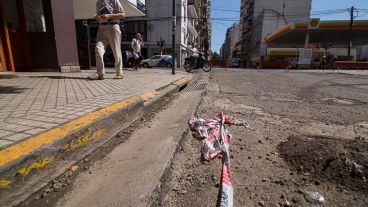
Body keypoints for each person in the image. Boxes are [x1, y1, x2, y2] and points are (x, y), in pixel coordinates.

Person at [88, 0, 125, 80]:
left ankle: (119, 73)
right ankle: (99, 73)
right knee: (98, 49)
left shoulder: (114, 0)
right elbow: (99, 15)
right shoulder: (98, 2)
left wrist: (110, 16)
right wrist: (97, 17)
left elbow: (122, 15)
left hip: (113, 27)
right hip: (101, 27)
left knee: (116, 51)